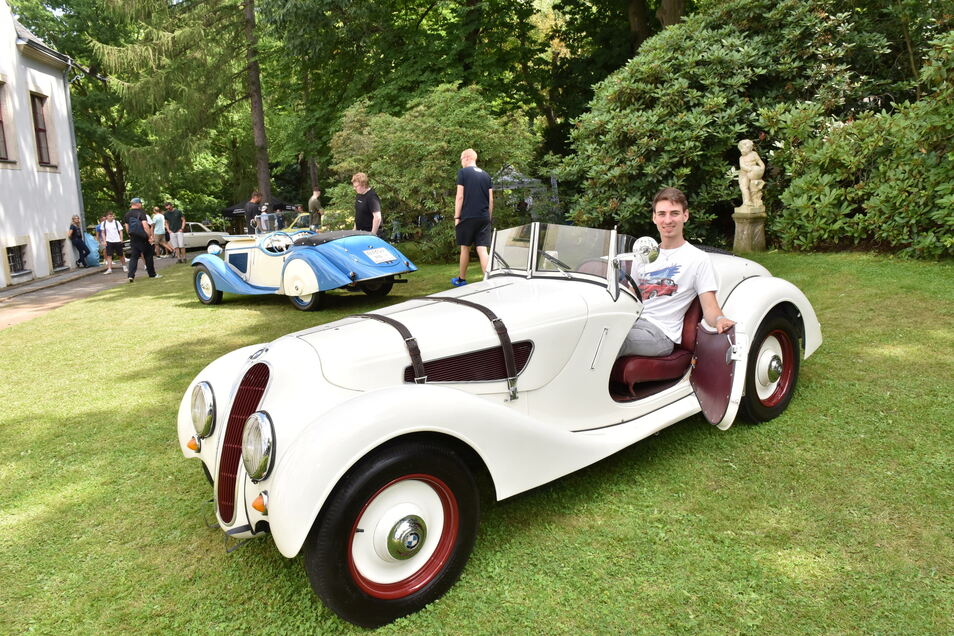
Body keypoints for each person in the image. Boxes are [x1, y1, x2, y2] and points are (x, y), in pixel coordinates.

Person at [618, 187, 735, 357]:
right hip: (632, 323)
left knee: (610, 341)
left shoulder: (697, 259)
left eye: (674, 213)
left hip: (661, 333)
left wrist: (719, 320)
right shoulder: (644, 254)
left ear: (685, 216)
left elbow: (710, 308)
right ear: (654, 217)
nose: (668, 220)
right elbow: (630, 295)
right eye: (662, 214)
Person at [451, 148, 493, 287]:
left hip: (467, 217)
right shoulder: (486, 175)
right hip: (484, 217)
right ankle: (488, 279)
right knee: (482, 249)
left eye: (461, 159)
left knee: (465, 248)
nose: (461, 163)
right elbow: (491, 200)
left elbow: (460, 196)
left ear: (467, 158)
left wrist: (457, 217)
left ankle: (461, 279)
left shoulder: (463, 173)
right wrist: (489, 217)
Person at [124, 197, 159, 282]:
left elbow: (127, 227)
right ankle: (152, 274)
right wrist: (149, 236)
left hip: (133, 237)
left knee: (134, 257)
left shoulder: (127, 214)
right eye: (140, 203)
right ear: (137, 204)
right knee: (148, 255)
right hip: (143, 237)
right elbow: (145, 225)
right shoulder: (141, 213)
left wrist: (130, 235)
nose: (141, 204)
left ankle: (131, 275)